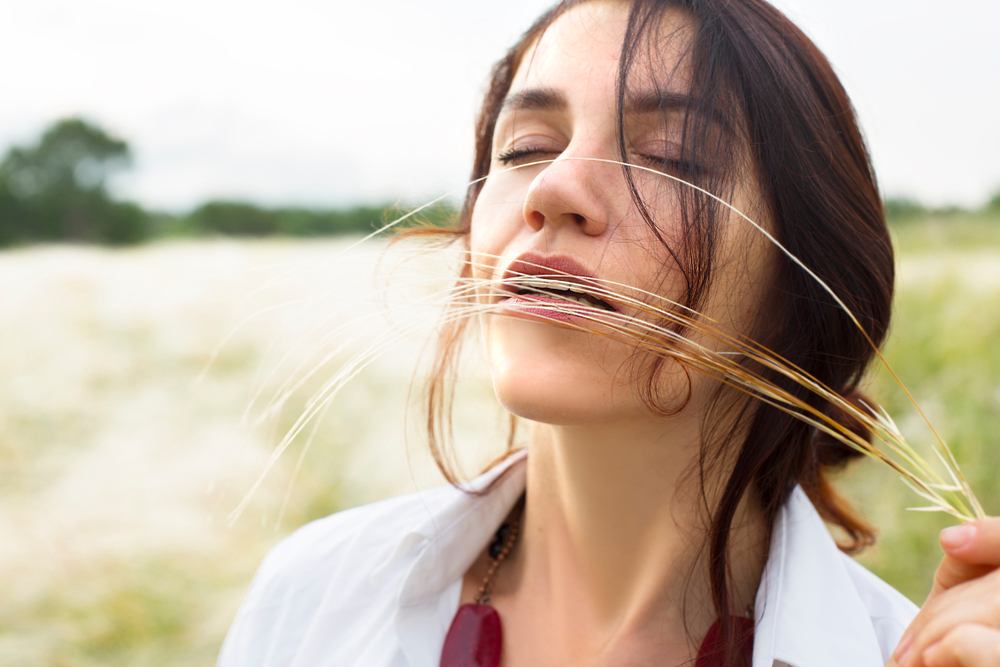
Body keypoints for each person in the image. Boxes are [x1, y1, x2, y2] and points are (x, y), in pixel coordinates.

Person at [217, 1, 1000, 666]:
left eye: (669, 158)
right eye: (524, 148)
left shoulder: (912, 652)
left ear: (801, 277)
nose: (552, 189)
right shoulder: (314, 596)